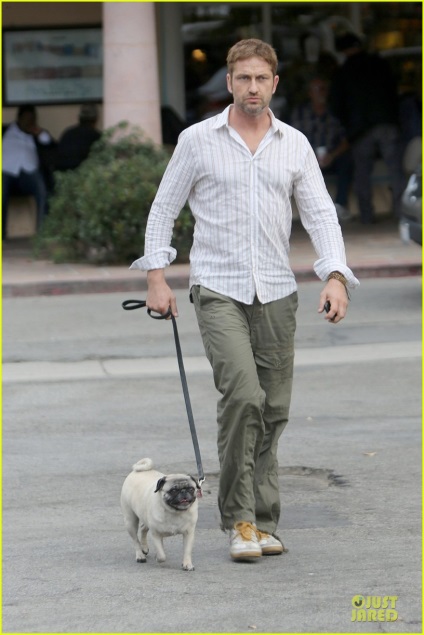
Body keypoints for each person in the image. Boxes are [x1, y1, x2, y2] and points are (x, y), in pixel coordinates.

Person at [131, 39, 359, 562]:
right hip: (217, 287)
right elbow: (163, 210)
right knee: (243, 398)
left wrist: (336, 276)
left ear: (274, 84)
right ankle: (240, 520)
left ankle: (264, 520)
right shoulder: (197, 140)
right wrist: (156, 279)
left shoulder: (294, 144)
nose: (252, 88)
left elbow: (321, 215)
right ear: (229, 83)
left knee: (274, 409)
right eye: (243, 79)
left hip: (276, 290)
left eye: (261, 79)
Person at [329, 32, 406, 224]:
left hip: (360, 128)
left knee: (362, 172)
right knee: (395, 170)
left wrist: (348, 125)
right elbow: (394, 91)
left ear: (343, 50)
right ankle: (402, 214)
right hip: (386, 121)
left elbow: (336, 104)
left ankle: (366, 215)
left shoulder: (343, 71)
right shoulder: (380, 64)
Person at [290, 76, 353, 221]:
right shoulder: (300, 114)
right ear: (310, 93)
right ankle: (310, 211)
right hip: (305, 159)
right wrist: (309, 156)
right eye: (316, 90)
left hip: (329, 159)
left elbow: (345, 141)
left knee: (346, 161)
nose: (321, 93)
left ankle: (340, 205)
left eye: (323, 89)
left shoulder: (333, 114)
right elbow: (290, 140)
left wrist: (332, 156)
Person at [2, 104, 55, 239]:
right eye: (26, 118)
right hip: (6, 171)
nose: (29, 122)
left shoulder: (36, 134)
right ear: (18, 118)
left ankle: (43, 233)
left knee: (42, 190)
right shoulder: (5, 130)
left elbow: (49, 143)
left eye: (32, 119)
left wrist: (39, 132)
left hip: (29, 172)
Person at [55, 104, 101, 171]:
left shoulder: (68, 133)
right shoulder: (95, 136)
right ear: (95, 119)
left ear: (79, 118)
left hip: (63, 174)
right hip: (82, 175)